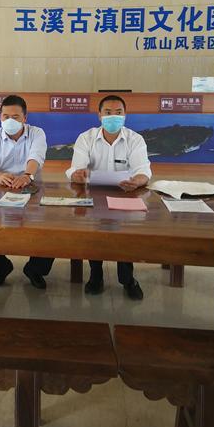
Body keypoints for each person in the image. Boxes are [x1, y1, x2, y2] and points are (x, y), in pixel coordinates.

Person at [65, 95, 149, 299]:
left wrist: (138, 181)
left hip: (125, 194)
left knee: (124, 236)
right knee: (95, 234)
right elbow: (76, 168)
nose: (113, 117)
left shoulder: (135, 139)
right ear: (99, 115)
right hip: (93, 194)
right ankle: (96, 275)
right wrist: (77, 174)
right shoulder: (86, 138)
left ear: (125, 115)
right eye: (108, 113)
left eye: (118, 113)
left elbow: (143, 170)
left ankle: (128, 279)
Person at [0, 95, 54, 289]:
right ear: (0, 117)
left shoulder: (37, 133)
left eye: (16, 117)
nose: (10, 121)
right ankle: (1, 268)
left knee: (49, 230)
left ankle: (35, 270)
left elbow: (35, 158)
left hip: (31, 188)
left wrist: (27, 175)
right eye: (6, 116)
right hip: (0, 190)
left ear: (25, 118)